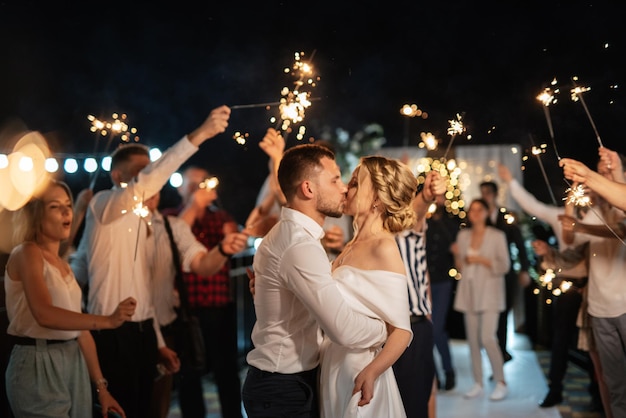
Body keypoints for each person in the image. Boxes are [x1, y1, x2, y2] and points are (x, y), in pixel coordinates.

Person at [70, 105, 231, 418]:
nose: (153, 182)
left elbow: (142, 294)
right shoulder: (103, 204)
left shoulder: (147, 224)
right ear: (118, 177)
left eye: (152, 173)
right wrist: (200, 134)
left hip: (144, 331)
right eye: (143, 174)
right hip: (110, 332)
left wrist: (156, 341)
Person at [241, 144, 388, 417]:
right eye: (334, 179)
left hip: (285, 382)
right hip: (282, 388)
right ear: (308, 189)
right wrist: (387, 330)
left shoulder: (294, 237)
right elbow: (342, 329)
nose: (344, 187)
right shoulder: (299, 245)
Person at [5, 179, 136, 418]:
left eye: (68, 205)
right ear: (35, 213)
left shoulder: (63, 265)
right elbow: (44, 314)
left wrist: (101, 389)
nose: (66, 211)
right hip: (37, 361)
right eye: (55, 206)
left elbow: (81, 332)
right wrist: (107, 320)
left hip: (73, 361)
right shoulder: (26, 252)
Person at [497, 163, 601, 409]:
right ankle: (556, 389)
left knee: (594, 344)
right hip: (567, 288)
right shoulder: (560, 216)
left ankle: (597, 391)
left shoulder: (598, 220)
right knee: (561, 340)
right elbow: (533, 206)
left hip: (592, 289)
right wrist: (511, 182)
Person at [321, 155, 417, 418]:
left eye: (354, 183)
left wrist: (372, 372)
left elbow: (401, 331)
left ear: (377, 197)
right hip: (333, 363)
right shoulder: (350, 245)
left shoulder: (383, 246)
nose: (345, 188)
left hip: (359, 370)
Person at [146, 190, 248, 418]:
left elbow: (229, 245)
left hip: (218, 302)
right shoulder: (172, 217)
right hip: (185, 308)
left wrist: (230, 240)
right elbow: (180, 230)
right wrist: (193, 205)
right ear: (180, 188)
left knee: (226, 369)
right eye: (191, 183)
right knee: (189, 372)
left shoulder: (220, 216)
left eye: (201, 183)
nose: (197, 188)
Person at [393, 170, 446, 418]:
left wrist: (425, 196)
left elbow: (414, 215)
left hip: (412, 329)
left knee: (415, 404)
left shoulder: (402, 228)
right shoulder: (361, 235)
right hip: (385, 334)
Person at [452, 198, 510, 401]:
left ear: (486, 212)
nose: (475, 213)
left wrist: (481, 260)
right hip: (469, 292)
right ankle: (478, 382)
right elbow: (460, 267)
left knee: (487, 337)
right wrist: (457, 257)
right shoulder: (463, 235)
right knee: (473, 341)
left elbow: (505, 266)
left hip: (490, 292)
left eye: (479, 209)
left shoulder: (497, 236)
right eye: (472, 210)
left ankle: (501, 381)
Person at [479, 180, 532, 361]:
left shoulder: (507, 217)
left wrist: (524, 269)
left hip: (505, 273)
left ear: (494, 194)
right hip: (483, 274)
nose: (484, 195)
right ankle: (493, 350)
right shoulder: (479, 217)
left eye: (487, 192)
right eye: (482, 192)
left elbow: (520, 245)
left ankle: (501, 350)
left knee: (503, 312)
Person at [425, 192, 460, 392]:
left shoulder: (450, 226)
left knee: (436, 329)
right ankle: (435, 374)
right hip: (423, 283)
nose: (437, 201)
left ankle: (447, 370)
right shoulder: (421, 222)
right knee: (428, 329)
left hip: (443, 282)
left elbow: (457, 252)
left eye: (440, 197)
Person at [560, 147, 626, 212]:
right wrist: (569, 204)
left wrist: (587, 176)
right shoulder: (597, 204)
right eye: (600, 173)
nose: (603, 177)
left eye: (608, 172)